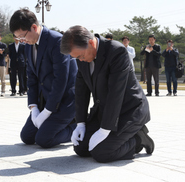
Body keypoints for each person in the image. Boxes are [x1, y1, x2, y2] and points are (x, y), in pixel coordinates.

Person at [60, 25, 154, 163]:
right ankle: (117, 137)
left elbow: (116, 94)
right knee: (80, 147)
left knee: (102, 153)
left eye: (80, 56)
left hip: (128, 110)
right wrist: (80, 123)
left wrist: (105, 129)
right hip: (105, 110)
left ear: (91, 43)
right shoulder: (83, 59)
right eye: (76, 58)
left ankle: (138, 139)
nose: (80, 60)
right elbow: (81, 92)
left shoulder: (116, 51)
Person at [9, 8, 77, 148]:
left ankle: (75, 127)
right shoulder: (29, 45)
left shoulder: (56, 40)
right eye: (18, 38)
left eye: (23, 36)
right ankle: (53, 123)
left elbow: (61, 80)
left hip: (65, 101)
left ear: (34, 27)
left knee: (44, 139)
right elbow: (32, 77)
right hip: (44, 100)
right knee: (27, 137)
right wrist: (34, 107)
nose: (22, 41)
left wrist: (47, 111)